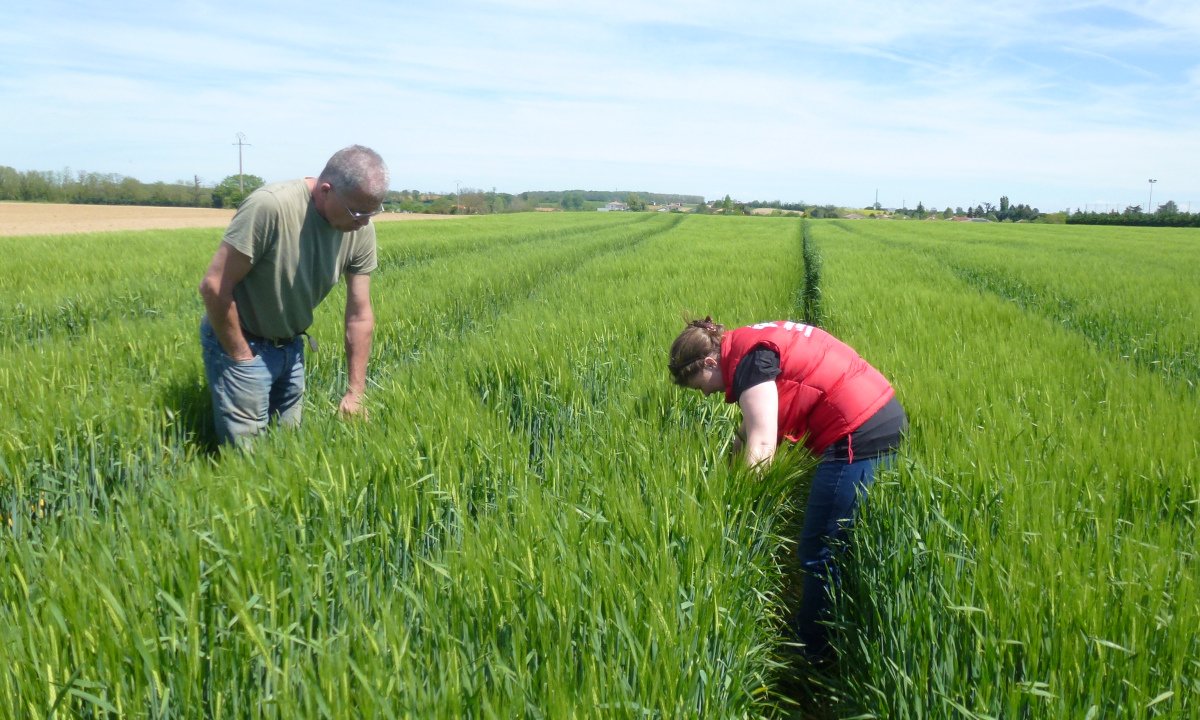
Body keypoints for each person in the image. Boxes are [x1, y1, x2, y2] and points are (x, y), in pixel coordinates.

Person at [668, 317, 907, 660]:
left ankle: (813, 652)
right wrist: (728, 471)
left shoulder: (751, 363)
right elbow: (752, 429)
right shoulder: (749, 344)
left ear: (709, 362)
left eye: (700, 385)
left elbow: (762, 445)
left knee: (819, 551)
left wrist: (735, 512)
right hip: (878, 411)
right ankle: (836, 633)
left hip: (857, 432)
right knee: (844, 541)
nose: (706, 394)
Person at [197, 145, 388, 446]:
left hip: (291, 348)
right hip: (242, 340)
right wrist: (241, 357)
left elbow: (359, 315)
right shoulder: (271, 207)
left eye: (372, 211)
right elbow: (215, 286)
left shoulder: (360, 229)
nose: (364, 221)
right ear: (326, 190)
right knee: (247, 460)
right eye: (357, 212)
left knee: (286, 450)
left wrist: (355, 392)